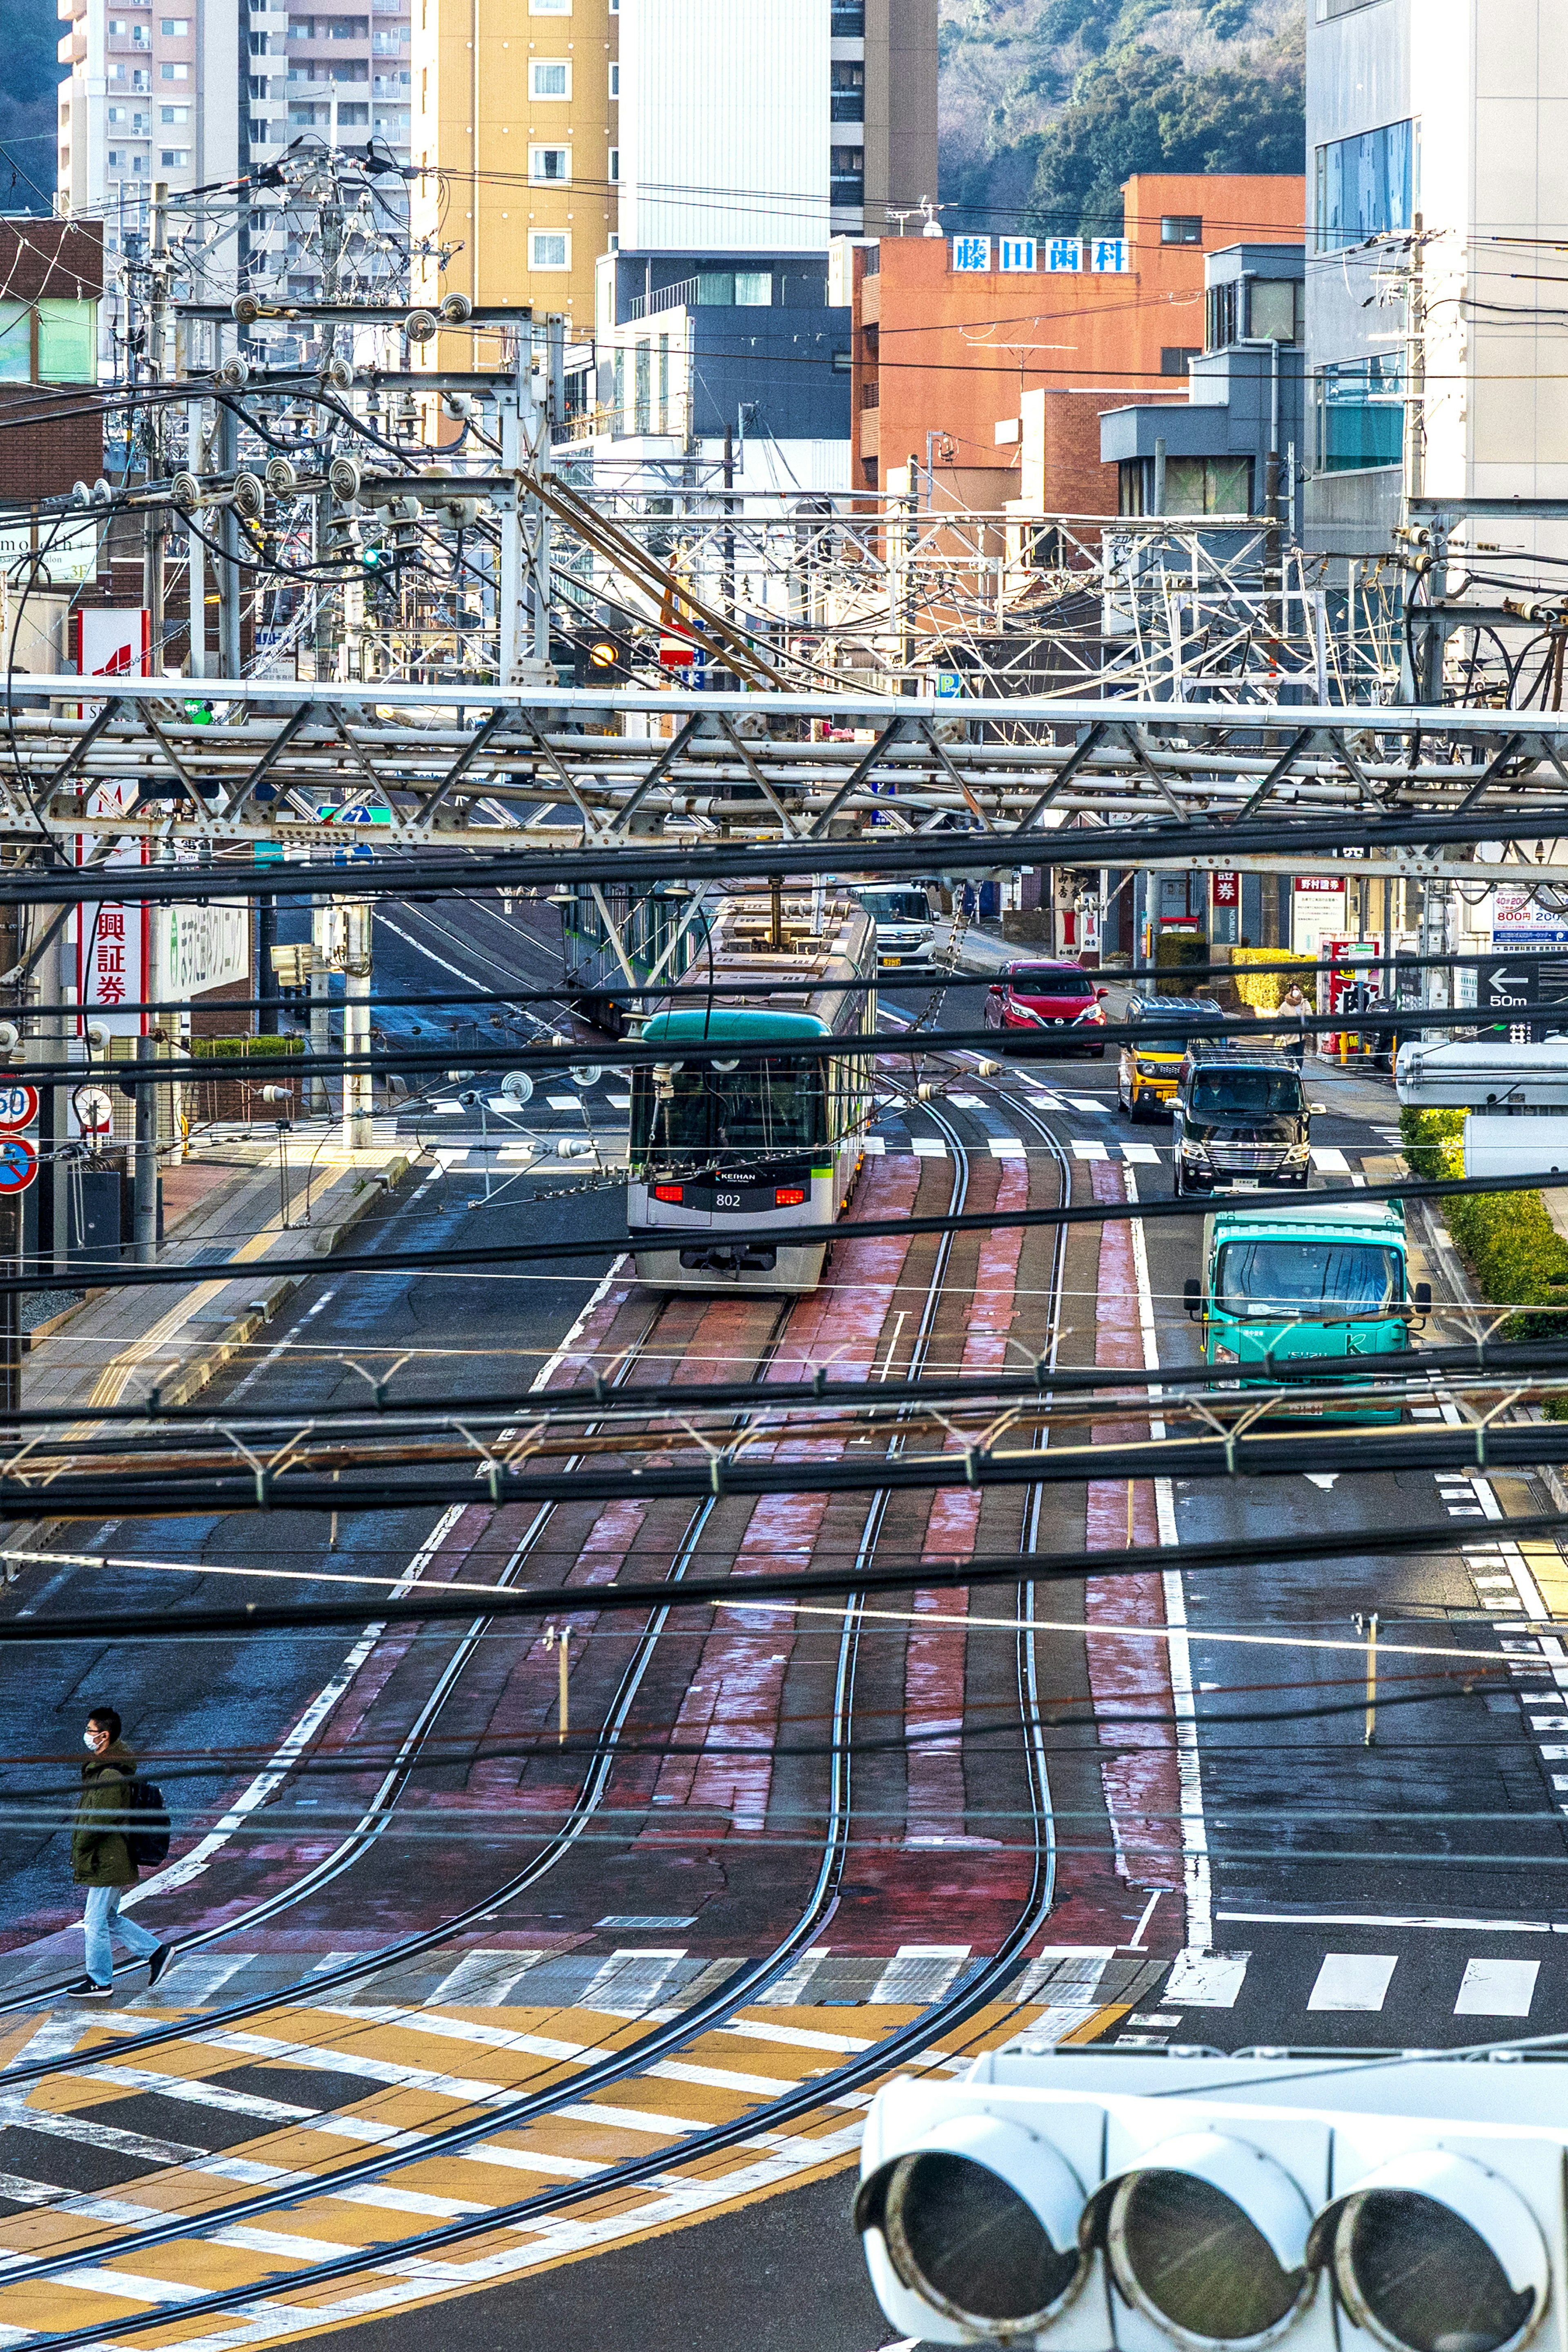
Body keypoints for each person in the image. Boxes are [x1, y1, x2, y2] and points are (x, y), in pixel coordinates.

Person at [67, 1707, 172, 2000]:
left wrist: (81, 1845)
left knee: (94, 1922)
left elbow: (102, 1819)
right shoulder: (103, 1768)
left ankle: (100, 1981)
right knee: (109, 1918)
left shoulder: (110, 1773)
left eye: (90, 1730)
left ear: (104, 1735)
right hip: (110, 1857)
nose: (86, 1735)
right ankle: (158, 1952)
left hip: (108, 1859)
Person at [1278, 978, 1310, 1068]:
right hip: (1289, 1035)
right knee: (1290, 1055)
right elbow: (1280, 1017)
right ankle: (1290, 1071)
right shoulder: (1285, 1005)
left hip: (1301, 1035)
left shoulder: (1304, 1003)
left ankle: (1298, 1072)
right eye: (1294, 990)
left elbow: (1308, 1016)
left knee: (1299, 1056)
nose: (1296, 992)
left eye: (1297, 989)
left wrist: (1307, 1029)